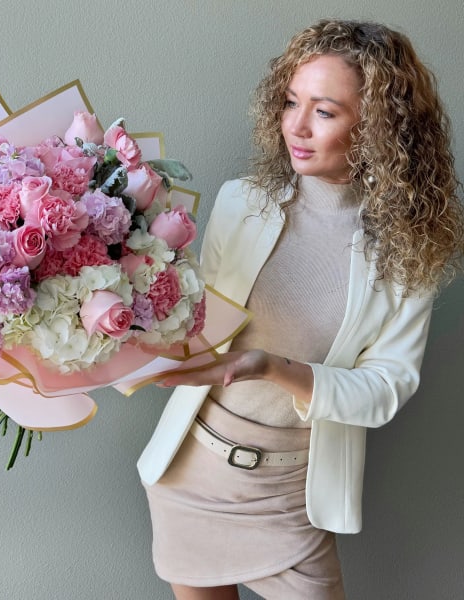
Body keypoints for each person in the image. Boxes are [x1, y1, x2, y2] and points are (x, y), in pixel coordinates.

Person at [136, 19, 464, 600]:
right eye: (291, 102)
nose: (296, 125)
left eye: (325, 111)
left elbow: (386, 389)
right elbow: (194, 324)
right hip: (191, 470)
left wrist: (272, 368)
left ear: (379, 127)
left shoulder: (411, 251)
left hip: (292, 494)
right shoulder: (240, 203)